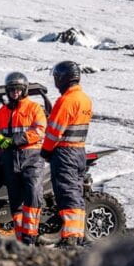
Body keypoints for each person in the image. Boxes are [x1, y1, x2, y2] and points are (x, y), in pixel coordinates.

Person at [0, 72, 47, 245]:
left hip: (31, 157)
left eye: (18, 89)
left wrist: (14, 140)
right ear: (7, 91)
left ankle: (30, 237)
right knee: (15, 200)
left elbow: (39, 130)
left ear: (24, 90)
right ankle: (21, 240)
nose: (15, 92)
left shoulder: (34, 108)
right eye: (12, 89)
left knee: (33, 195)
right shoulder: (2, 111)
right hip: (10, 158)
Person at [41, 61, 92, 247]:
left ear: (62, 78)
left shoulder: (66, 100)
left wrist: (46, 150)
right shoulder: (85, 99)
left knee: (67, 193)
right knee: (76, 193)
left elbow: (55, 131)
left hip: (65, 152)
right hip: (79, 151)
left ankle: (70, 237)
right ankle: (77, 235)